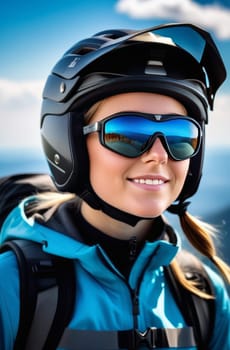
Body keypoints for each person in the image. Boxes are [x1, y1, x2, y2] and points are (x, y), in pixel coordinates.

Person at [0, 23, 229, 350]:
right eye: (127, 132)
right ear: (69, 145)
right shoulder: (13, 287)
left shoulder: (203, 293)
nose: (159, 155)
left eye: (181, 135)